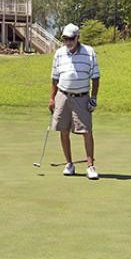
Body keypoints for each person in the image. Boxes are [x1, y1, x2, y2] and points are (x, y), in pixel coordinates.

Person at [48, 23, 100, 180]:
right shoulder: (59, 53)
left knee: (86, 131)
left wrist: (94, 98)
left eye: (71, 38)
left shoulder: (89, 52)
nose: (68, 42)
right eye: (65, 39)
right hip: (63, 95)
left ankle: (90, 166)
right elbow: (54, 78)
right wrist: (52, 98)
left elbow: (96, 77)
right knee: (63, 130)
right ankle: (69, 163)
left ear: (78, 38)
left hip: (82, 96)